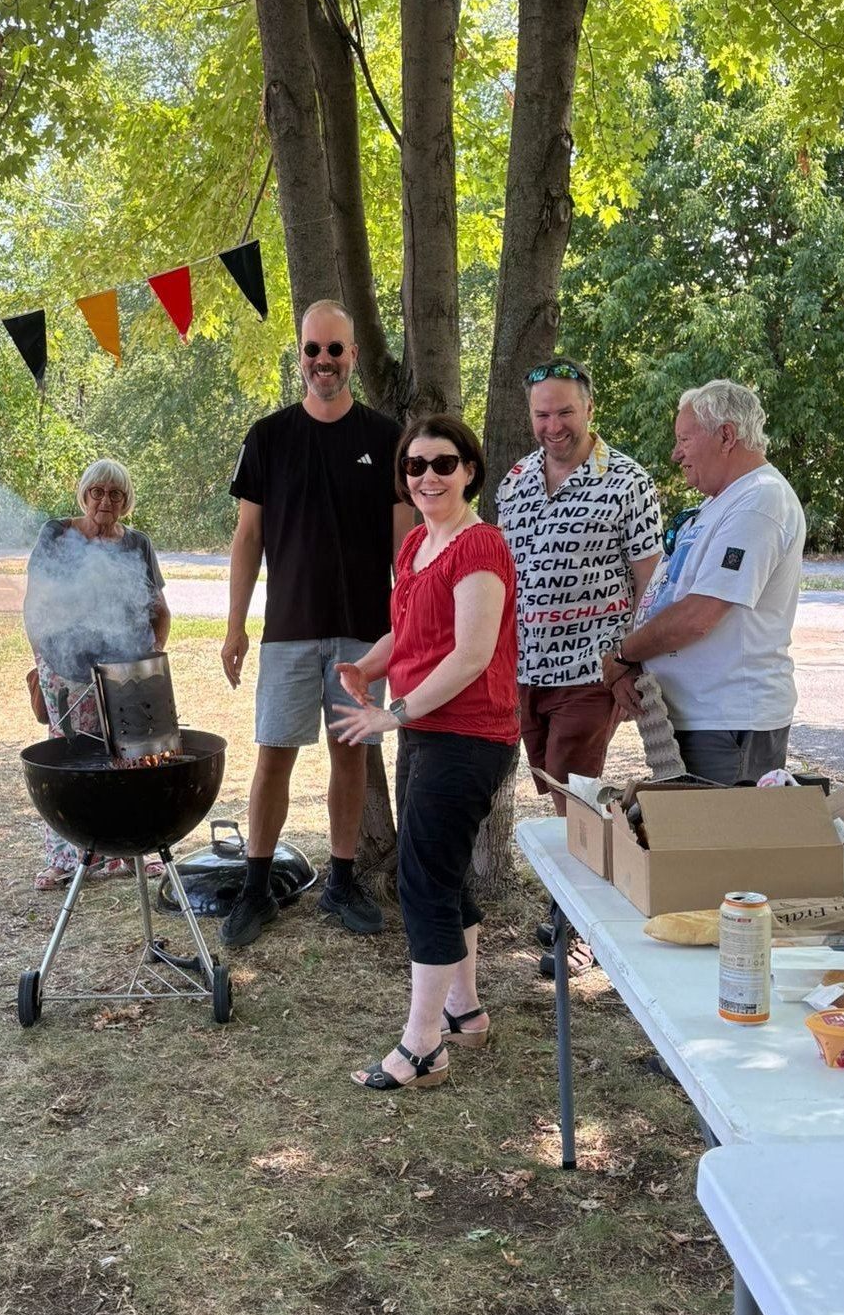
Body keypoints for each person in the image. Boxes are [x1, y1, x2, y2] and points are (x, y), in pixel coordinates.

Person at [332, 414, 519, 1090]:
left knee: (420, 883)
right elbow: (411, 631)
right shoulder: (415, 543)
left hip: (469, 735)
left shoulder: (481, 546)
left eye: (443, 463)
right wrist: (368, 663)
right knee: (438, 871)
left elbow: (470, 654)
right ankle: (464, 1009)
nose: (427, 476)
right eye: (414, 465)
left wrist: (393, 711)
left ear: (469, 469)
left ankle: (422, 1045)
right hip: (426, 732)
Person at [220, 300, 414, 948]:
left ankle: (341, 881)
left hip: (364, 629)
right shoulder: (267, 437)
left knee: (350, 756)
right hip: (289, 629)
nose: (323, 361)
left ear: (353, 355)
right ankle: (255, 886)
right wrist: (234, 626)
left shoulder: (385, 438)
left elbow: (404, 542)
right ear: (298, 355)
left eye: (335, 349)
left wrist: (410, 625)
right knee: (273, 753)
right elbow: (247, 537)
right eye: (312, 350)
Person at [601, 379, 806, 785]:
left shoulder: (760, 500)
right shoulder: (723, 501)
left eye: (684, 439)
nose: (676, 453)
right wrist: (635, 661)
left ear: (726, 436)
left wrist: (622, 655)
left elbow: (698, 615)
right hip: (702, 717)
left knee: (725, 845)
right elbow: (672, 597)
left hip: (730, 720)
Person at [496, 356, 662, 810]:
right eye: (542, 414)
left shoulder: (629, 482)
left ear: (589, 409)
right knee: (554, 793)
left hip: (591, 671)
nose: (553, 425)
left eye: (565, 412)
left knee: (572, 802)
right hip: (524, 673)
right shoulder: (515, 482)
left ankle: (593, 871)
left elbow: (651, 581)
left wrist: (635, 663)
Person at [23, 457, 171, 890]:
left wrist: (152, 654)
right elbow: (35, 604)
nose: (105, 501)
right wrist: (43, 661)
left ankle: (132, 851)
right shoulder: (56, 533)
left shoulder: (137, 544)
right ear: (83, 495)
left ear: (126, 502)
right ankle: (65, 859)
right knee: (69, 762)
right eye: (97, 492)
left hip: (126, 669)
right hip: (65, 668)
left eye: (116, 494)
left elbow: (159, 610)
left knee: (133, 757)